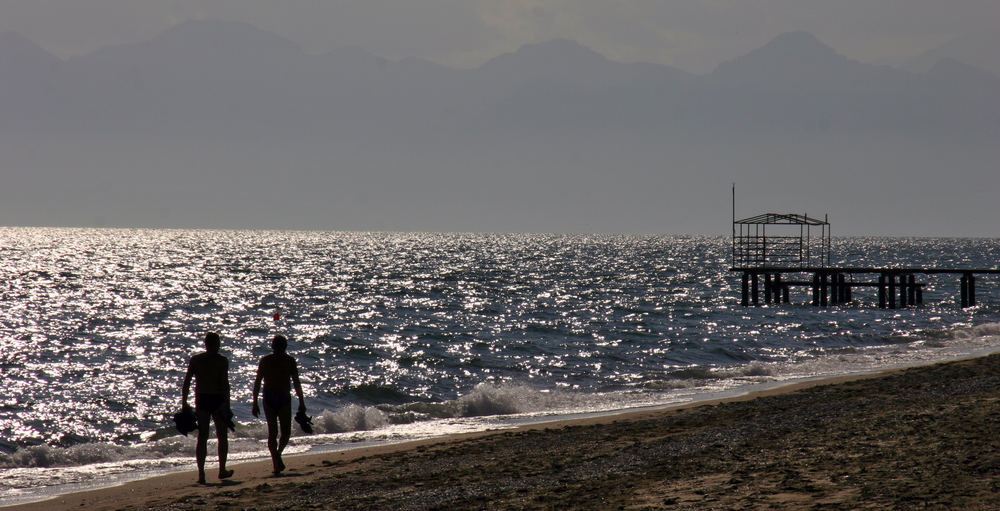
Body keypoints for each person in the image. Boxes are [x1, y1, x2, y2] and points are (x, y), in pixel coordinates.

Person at [181, 331, 234, 484]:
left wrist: (184, 402)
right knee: (220, 435)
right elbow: (225, 385)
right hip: (216, 399)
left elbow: (187, 382)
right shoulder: (221, 360)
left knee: (204, 436)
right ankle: (220, 470)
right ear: (217, 344)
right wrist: (227, 405)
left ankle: (202, 474)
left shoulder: (197, 360)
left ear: (206, 344)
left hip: (203, 399)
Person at [252, 334, 306, 475]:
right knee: (280, 432)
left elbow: (258, 382)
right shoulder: (282, 360)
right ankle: (277, 458)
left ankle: (276, 457)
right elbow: (296, 383)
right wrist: (301, 402)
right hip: (278, 396)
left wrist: (254, 402)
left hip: (274, 396)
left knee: (279, 432)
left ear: (273, 346)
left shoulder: (275, 360)